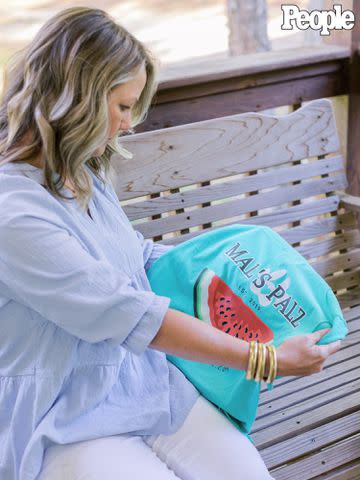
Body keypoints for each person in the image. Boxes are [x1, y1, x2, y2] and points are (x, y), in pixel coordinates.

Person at [0, 7, 342, 480]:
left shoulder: (78, 173)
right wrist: (268, 360)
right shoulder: (13, 213)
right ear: (76, 99)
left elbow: (135, 258)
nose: (127, 124)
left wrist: (235, 268)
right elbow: (128, 312)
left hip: (142, 380)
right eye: (122, 107)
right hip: (62, 413)